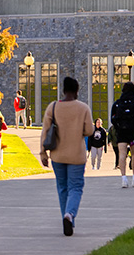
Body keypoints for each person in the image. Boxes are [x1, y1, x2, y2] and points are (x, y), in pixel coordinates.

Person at [39, 76, 93, 237]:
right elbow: (89, 131)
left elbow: (45, 132)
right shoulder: (83, 108)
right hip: (77, 155)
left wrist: (43, 153)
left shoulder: (53, 107)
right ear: (76, 91)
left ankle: (68, 218)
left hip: (57, 155)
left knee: (62, 188)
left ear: (63, 90)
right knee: (75, 187)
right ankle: (69, 215)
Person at [110, 81, 134, 188]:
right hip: (133, 131)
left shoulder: (117, 104)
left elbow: (113, 119)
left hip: (121, 132)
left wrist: (118, 127)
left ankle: (124, 179)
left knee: (122, 154)